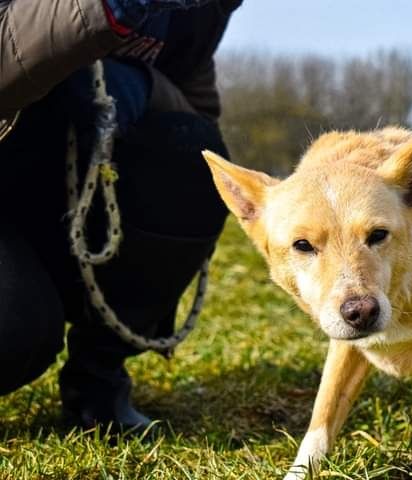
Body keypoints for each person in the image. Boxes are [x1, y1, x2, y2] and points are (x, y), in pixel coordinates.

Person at [0, 0, 243, 430]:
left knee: (194, 161)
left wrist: (142, 86)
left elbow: (197, 115)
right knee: (16, 329)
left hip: (62, 183)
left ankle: (98, 377)